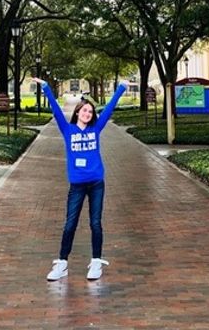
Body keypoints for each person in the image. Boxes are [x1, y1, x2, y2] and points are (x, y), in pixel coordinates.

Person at [33, 77, 127, 281]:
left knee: (95, 223)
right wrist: (46, 88)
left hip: (96, 184)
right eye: (84, 110)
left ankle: (95, 262)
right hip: (76, 185)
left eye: (91, 112)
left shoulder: (96, 129)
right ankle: (62, 264)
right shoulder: (68, 130)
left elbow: (110, 108)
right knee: (70, 224)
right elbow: (57, 111)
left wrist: (120, 89)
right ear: (77, 112)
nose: (88, 113)